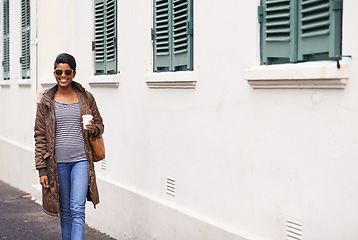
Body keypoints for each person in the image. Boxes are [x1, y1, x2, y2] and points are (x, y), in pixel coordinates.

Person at [34, 53, 104, 240]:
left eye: (67, 71)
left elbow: (100, 125)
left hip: (81, 160)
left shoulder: (86, 98)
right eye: (58, 71)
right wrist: (42, 169)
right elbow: (40, 136)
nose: (62, 75)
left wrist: (94, 129)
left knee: (77, 208)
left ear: (73, 73)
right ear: (54, 72)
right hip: (57, 164)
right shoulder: (46, 102)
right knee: (65, 210)